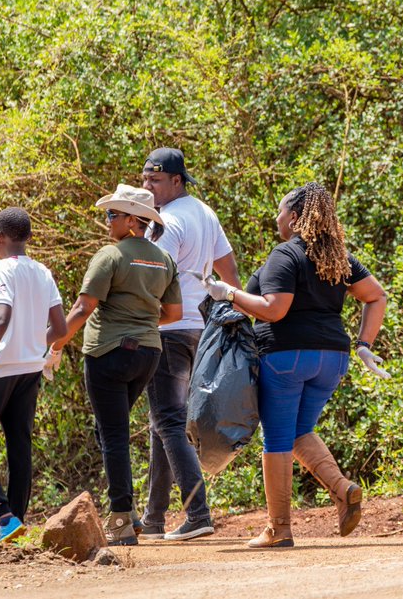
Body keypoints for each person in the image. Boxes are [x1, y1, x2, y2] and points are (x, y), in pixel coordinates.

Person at [205, 181, 389, 549]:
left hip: (288, 356)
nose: (276, 218)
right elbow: (377, 296)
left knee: (276, 439)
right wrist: (364, 345)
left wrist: (228, 293)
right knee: (298, 430)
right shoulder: (338, 258)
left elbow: (275, 309)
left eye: (279, 211)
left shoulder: (285, 254)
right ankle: (342, 488)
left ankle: (279, 529)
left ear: (293, 217)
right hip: (332, 359)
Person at [52, 184, 182, 546]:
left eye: (112, 214)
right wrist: (140, 324)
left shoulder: (110, 256)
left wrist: (54, 342)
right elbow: (174, 314)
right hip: (148, 355)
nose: (107, 220)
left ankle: (122, 519)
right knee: (111, 431)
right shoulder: (164, 259)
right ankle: (130, 512)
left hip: (108, 352)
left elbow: (82, 309)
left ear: (132, 220)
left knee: (113, 435)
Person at [140, 148, 240, 541]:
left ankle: (197, 513)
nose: (148, 187)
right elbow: (228, 271)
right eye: (145, 179)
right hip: (201, 327)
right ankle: (153, 516)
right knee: (162, 423)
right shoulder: (205, 212)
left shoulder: (164, 222)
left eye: (156, 180)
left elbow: (152, 277)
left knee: (168, 421)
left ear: (177, 181)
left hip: (168, 329)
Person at [0, 207, 67, 542]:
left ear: (0, 237)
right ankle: (16, 519)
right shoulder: (42, 272)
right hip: (30, 368)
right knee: (20, 444)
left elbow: (1, 318)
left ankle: (4, 517)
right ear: (28, 238)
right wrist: (38, 345)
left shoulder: (1, 270)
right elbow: (60, 327)